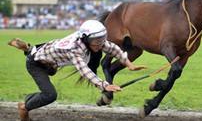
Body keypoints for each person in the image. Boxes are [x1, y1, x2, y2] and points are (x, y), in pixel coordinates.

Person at [8, 20, 148, 121]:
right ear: (86, 39)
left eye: (102, 39)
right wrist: (105, 85)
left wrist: (129, 64)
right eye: (96, 40)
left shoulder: (93, 39)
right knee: (50, 95)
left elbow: (112, 48)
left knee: (47, 90)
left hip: (50, 63)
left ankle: (26, 101)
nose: (100, 44)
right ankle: (24, 108)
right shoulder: (75, 49)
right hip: (36, 64)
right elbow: (85, 71)